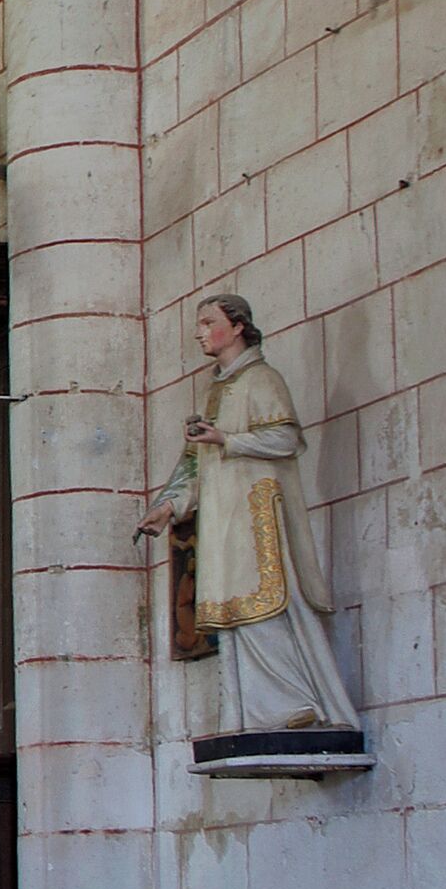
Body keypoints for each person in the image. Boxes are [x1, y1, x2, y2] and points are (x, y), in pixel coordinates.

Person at [140, 293, 364, 740]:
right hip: (224, 520)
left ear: (238, 326)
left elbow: (285, 438)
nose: (200, 332)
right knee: (234, 613)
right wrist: (166, 508)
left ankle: (299, 704)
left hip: (257, 513)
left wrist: (228, 438)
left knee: (266, 603)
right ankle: (252, 717)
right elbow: (192, 464)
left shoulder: (262, 379)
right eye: (200, 324)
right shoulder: (215, 390)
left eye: (208, 322)